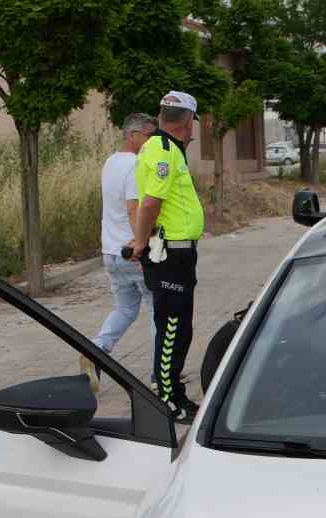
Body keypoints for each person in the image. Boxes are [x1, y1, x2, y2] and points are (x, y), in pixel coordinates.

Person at [126, 91, 206, 419]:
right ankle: (167, 399)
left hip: (179, 252)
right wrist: (140, 243)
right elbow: (149, 203)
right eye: (191, 125)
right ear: (187, 122)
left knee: (178, 326)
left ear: (162, 117)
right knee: (173, 326)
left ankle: (173, 390)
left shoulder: (167, 149)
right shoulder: (162, 150)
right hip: (170, 253)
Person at [89, 113, 157, 387]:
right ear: (133, 136)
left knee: (125, 308)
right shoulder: (136, 164)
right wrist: (142, 242)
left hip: (111, 251)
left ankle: (94, 351)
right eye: (149, 136)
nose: (153, 141)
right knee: (157, 310)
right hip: (133, 251)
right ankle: (159, 375)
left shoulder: (110, 162)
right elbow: (134, 208)